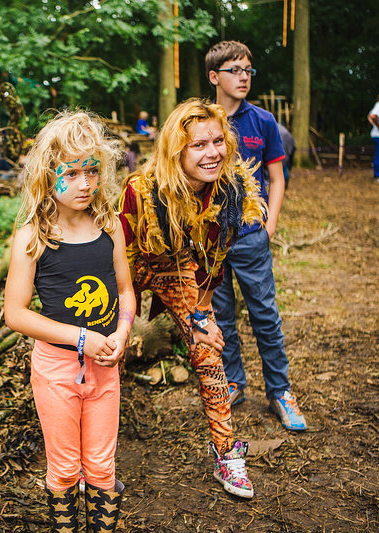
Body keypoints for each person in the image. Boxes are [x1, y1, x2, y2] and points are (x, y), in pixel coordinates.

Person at [119, 98, 265, 499]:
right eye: (199, 145)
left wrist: (199, 318)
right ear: (176, 149)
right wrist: (123, 318)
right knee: (107, 350)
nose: (212, 152)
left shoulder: (232, 193)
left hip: (181, 270)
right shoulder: (140, 192)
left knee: (209, 352)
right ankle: (92, 457)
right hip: (127, 268)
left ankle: (226, 454)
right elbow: (117, 258)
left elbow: (212, 265)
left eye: (218, 141)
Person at [4, 110, 136, 531]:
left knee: (101, 465)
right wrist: (81, 338)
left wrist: (122, 333)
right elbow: (15, 313)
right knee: (63, 468)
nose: (85, 183)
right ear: (48, 173)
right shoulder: (32, 237)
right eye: (72, 172)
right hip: (56, 370)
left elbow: (126, 291)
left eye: (92, 171)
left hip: (105, 368)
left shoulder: (110, 227)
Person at [205, 40, 308, 432]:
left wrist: (270, 225)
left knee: (265, 315)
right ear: (215, 77)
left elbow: (277, 178)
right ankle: (233, 382)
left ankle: (280, 391)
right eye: (234, 70)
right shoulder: (201, 122)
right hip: (211, 239)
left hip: (251, 237)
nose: (243, 76)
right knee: (223, 317)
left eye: (248, 70)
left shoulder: (264, 122)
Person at [277, 122, 296, 189]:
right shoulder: (287, 133)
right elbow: (293, 148)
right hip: (284, 156)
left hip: (279, 155)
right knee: (284, 169)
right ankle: (283, 186)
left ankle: (282, 186)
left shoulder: (274, 129)